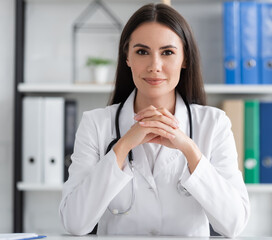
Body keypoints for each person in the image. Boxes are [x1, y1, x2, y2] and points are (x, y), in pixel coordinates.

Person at [59, 3, 250, 238]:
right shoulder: (96, 124)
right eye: (142, 52)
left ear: (185, 59)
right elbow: (74, 223)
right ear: (127, 57)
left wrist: (189, 149)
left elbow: (233, 224)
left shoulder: (214, 123)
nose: (154, 66)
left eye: (167, 52)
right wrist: (122, 148)